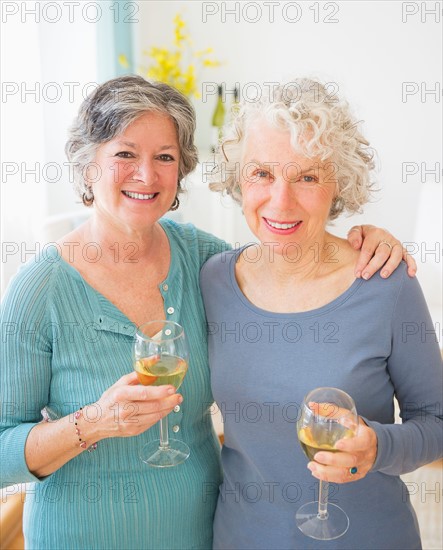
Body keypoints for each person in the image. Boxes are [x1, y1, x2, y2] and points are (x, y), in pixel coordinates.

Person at [0, 75, 416, 550]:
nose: (146, 174)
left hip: (203, 530)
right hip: (85, 534)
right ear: (87, 164)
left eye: (165, 157)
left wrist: (368, 241)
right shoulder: (40, 290)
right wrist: (94, 421)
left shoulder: (204, 262)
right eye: (124, 154)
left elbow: (284, 257)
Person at [200, 78, 442, 550]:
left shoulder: (385, 282)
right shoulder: (212, 281)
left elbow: (437, 422)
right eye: (262, 174)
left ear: (340, 185)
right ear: (238, 178)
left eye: (307, 176)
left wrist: (377, 447)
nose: (280, 200)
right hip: (242, 538)